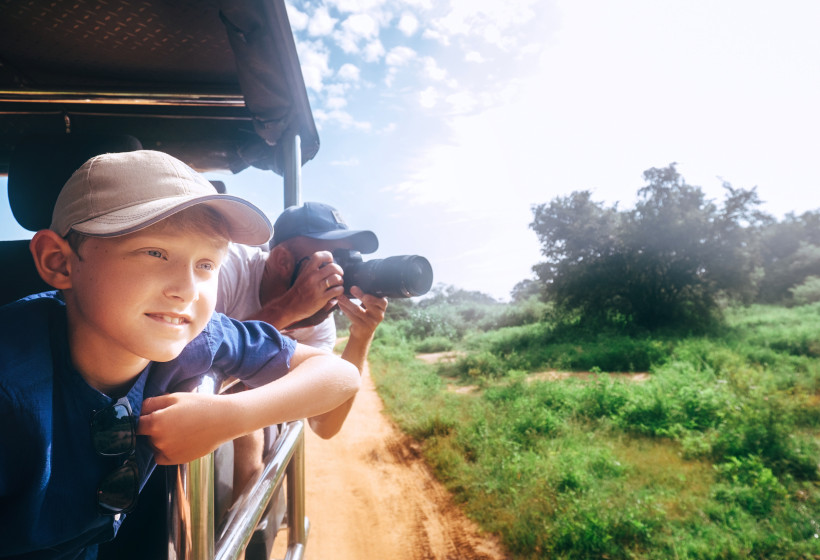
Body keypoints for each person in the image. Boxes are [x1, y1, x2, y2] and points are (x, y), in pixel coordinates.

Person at [0, 151, 360, 559]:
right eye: (155, 253)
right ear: (59, 262)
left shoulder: (198, 338)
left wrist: (229, 417)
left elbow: (339, 375)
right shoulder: (12, 384)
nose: (187, 289)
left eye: (207, 264)